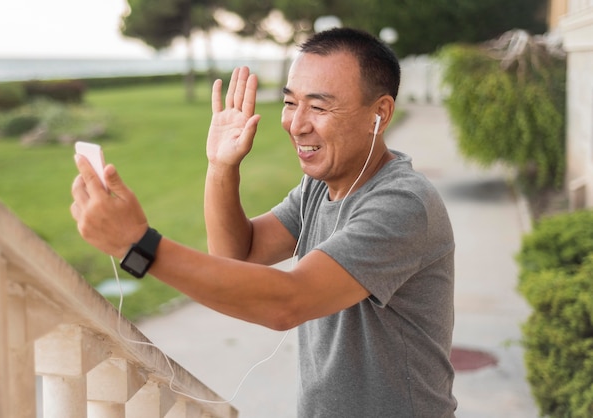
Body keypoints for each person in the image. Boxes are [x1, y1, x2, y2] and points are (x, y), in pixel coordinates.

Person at [71, 27, 457, 417]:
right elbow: (239, 255)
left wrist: (139, 246)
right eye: (291, 103)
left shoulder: (403, 204)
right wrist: (221, 167)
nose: (296, 124)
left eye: (319, 107)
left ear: (381, 113)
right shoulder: (318, 187)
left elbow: (288, 301)